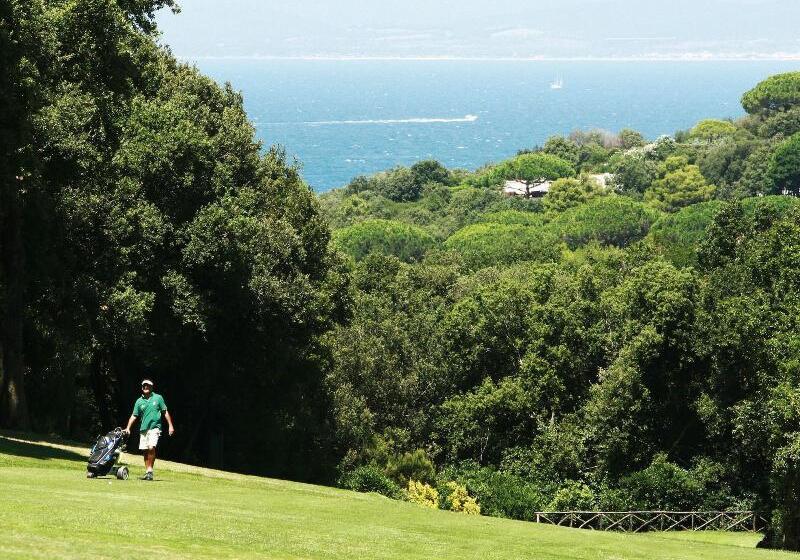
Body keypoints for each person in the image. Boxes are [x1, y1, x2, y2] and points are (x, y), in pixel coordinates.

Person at [124, 379, 174, 480]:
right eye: (144, 386)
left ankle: (150, 470)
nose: (145, 387)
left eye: (147, 386)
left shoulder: (158, 398)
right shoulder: (139, 401)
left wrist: (170, 425)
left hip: (155, 428)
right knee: (145, 451)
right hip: (143, 429)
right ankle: (148, 472)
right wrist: (128, 427)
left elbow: (165, 412)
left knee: (151, 447)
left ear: (151, 387)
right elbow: (134, 415)